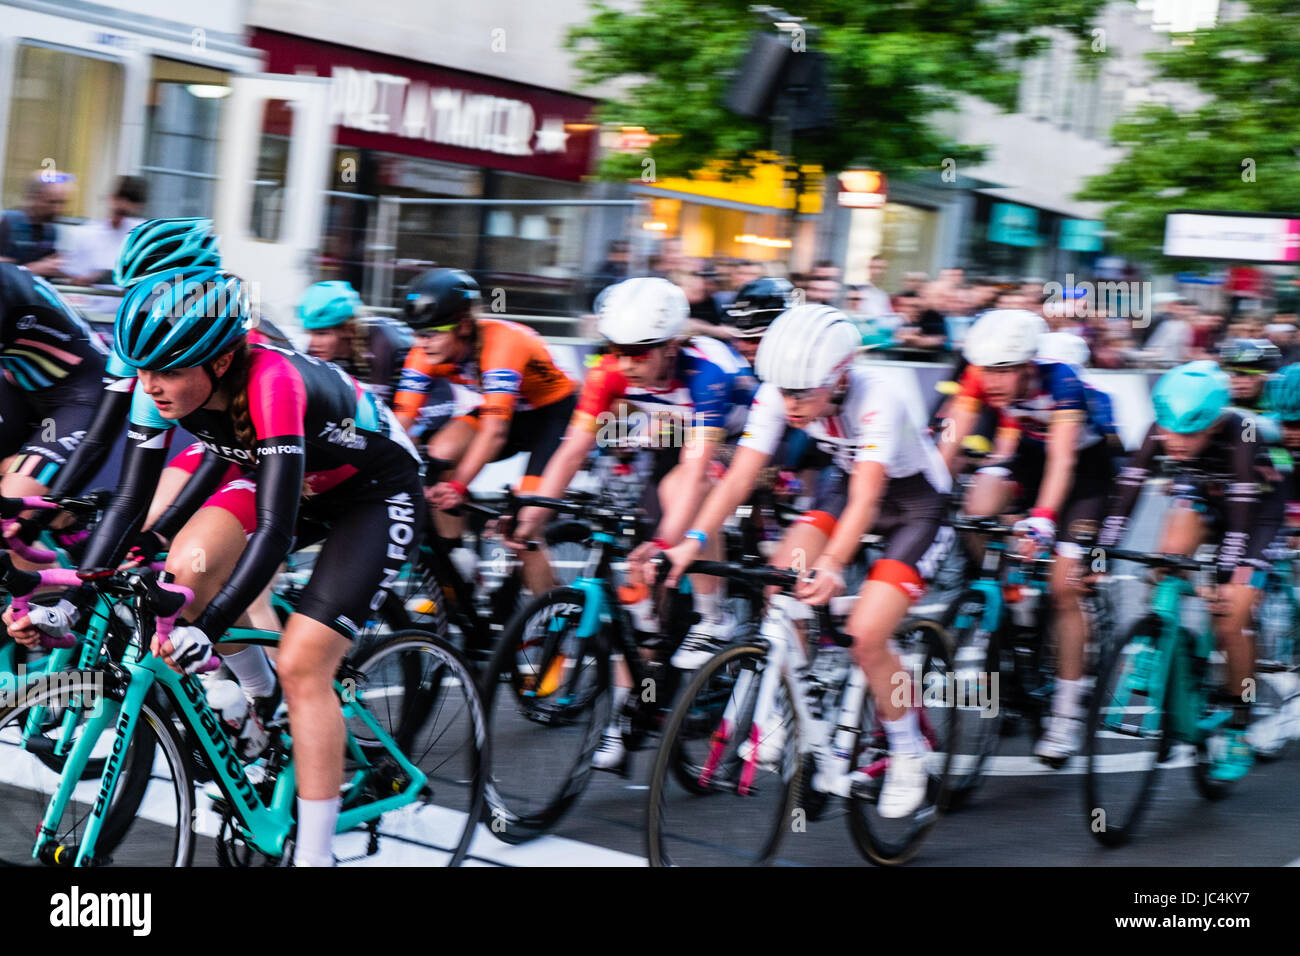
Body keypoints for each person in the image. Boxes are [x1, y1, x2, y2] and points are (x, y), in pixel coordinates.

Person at [6, 267, 425, 868]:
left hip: (373, 493)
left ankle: (314, 856)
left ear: (221, 362)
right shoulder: (162, 384)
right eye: (143, 369)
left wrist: (214, 624)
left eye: (169, 371)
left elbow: (277, 528)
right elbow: (129, 502)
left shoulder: (273, 381)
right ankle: (261, 701)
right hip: (293, 478)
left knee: (305, 663)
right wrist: (72, 600)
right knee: (182, 576)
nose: (150, 387)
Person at [657, 305, 952, 817]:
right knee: (780, 580)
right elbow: (738, 479)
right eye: (783, 392)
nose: (789, 404)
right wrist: (692, 539)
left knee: (865, 634)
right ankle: (797, 690)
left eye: (801, 394)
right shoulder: (782, 391)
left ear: (839, 377)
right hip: (848, 488)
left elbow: (867, 498)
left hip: (914, 507)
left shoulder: (878, 395)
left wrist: (835, 562)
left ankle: (909, 751)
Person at [510, 276, 757, 771]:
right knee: (634, 585)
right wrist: (533, 515)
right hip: (673, 432)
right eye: (615, 349)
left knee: (684, 496)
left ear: (671, 346)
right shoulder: (612, 371)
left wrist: (670, 542)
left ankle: (714, 615)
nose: (625, 362)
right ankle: (627, 709)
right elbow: (574, 448)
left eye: (638, 352)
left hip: (743, 442)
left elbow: (694, 467)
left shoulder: (706, 371)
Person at [940, 309, 1118, 765]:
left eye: (1004, 370)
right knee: (975, 507)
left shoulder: (1062, 383)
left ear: (1028, 365)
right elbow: (949, 444)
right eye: (986, 369)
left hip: (1086, 476)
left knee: (1063, 587)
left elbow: (1063, 463)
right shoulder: (980, 378)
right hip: (1029, 459)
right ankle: (1003, 597)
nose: (992, 381)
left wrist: (1041, 519)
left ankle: (1065, 715)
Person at [1098, 362, 1283, 781]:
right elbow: (1127, 488)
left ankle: (1239, 720)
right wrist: (1102, 552)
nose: (1175, 442)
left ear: (1215, 423)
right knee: (1165, 559)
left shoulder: (1241, 434)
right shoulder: (1159, 429)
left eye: (1189, 434)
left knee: (1231, 614)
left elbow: (1239, 521)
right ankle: (1162, 649)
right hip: (1203, 493)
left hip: (1257, 513)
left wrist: (1225, 579)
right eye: (1169, 432)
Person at [394, 268, 576, 597]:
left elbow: (495, 432)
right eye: (416, 334)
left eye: (432, 333)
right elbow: (401, 421)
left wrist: (459, 486)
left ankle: (554, 624)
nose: (421, 343)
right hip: (510, 412)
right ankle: (458, 556)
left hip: (553, 417)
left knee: (523, 529)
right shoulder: (424, 352)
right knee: (439, 453)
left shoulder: (502, 344)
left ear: (463, 325)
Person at [0, 262, 110, 567]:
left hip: (77, 398)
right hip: (20, 388)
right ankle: (67, 523)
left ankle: (61, 595)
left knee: (7, 522)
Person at [297, 280, 412, 407]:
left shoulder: (379, 342)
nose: (313, 343)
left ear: (348, 329)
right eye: (309, 333)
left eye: (322, 333)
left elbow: (378, 411)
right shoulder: (320, 349)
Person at [62, 176, 147, 286]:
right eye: (119, 212)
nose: (121, 219)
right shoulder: (85, 233)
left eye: (126, 214)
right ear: (111, 198)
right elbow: (75, 279)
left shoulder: (143, 234)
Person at [0, 173, 72, 278]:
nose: (58, 209)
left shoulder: (50, 230)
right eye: (51, 202)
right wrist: (32, 269)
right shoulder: (6, 223)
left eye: (62, 203)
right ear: (35, 197)